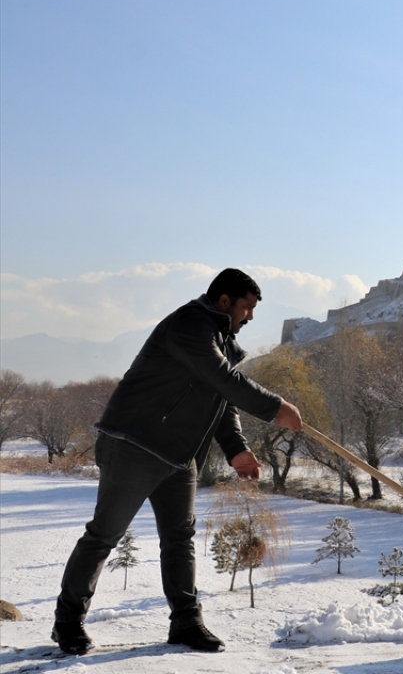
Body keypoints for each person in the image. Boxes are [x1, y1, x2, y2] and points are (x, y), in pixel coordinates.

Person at [51, 268, 304, 655]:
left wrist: (236, 447)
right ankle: (68, 623)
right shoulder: (189, 325)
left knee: (180, 540)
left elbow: (219, 399)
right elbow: (222, 379)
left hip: (179, 454)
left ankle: (186, 622)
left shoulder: (219, 338)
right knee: (104, 536)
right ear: (224, 301)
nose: (249, 317)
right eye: (247, 308)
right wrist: (275, 408)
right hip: (134, 444)